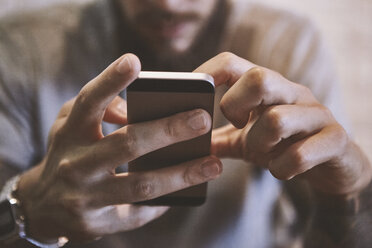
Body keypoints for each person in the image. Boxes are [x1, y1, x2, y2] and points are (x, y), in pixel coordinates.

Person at [0, 0, 371, 247]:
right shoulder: (22, 50)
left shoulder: (288, 43)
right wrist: (29, 206)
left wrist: (349, 191)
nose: (169, 5)